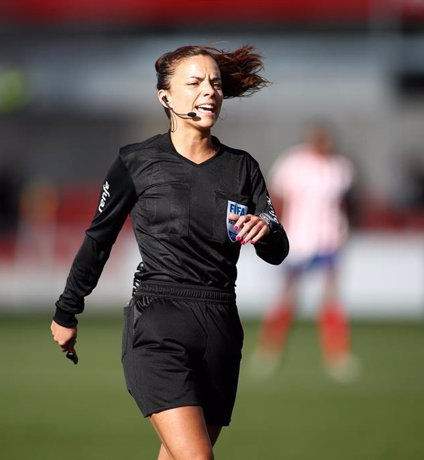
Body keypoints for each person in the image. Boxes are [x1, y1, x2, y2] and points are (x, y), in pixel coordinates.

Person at [50, 44, 289, 460]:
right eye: (195, 83)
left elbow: (278, 249)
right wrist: (67, 311)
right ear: (165, 97)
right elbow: (98, 239)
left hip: (220, 327)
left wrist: (265, 229)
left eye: (215, 83)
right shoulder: (136, 161)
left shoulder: (242, 167)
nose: (209, 92)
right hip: (158, 322)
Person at [250, 121, 359, 382]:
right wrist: (276, 231)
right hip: (298, 240)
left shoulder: (340, 168)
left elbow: (343, 204)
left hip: (329, 240)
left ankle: (337, 356)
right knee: (287, 298)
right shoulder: (292, 163)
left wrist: (343, 231)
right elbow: (277, 199)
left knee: (330, 299)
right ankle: (268, 352)